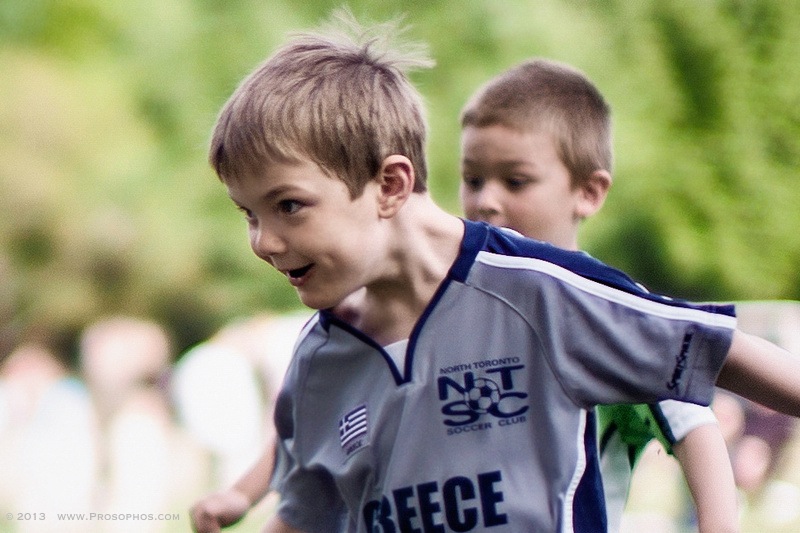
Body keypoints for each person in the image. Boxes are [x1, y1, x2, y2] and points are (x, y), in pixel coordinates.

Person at [205, 11, 800, 532]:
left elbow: (719, 353)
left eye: (288, 206)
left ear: (390, 184)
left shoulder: (539, 291)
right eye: (246, 215)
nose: (262, 241)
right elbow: (307, 509)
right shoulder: (322, 358)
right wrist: (239, 497)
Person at [457, 58, 737, 532]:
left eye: (515, 181)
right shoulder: (449, 315)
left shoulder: (609, 311)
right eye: (473, 179)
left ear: (587, 192)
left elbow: (695, 429)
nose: (486, 200)